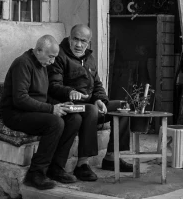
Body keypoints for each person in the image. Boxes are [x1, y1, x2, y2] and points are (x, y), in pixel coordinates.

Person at [47, 24, 133, 182]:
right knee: (91, 110)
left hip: (90, 104)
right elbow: (53, 86)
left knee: (123, 106)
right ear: (69, 37)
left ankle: (111, 158)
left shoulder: (89, 58)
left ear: (89, 43)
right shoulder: (59, 55)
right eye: (75, 40)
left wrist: (100, 99)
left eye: (83, 41)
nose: (79, 45)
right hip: (70, 105)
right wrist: (69, 92)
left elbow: (98, 85)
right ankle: (82, 164)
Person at [1, 35, 81, 190]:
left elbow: (41, 97)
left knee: (74, 118)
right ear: (38, 50)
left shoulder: (42, 65)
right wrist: (52, 109)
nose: (52, 62)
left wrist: (60, 105)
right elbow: (21, 99)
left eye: (54, 58)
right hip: (15, 114)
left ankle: (56, 168)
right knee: (55, 123)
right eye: (50, 57)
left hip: (32, 112)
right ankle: (36, 173)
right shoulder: (22, 63)